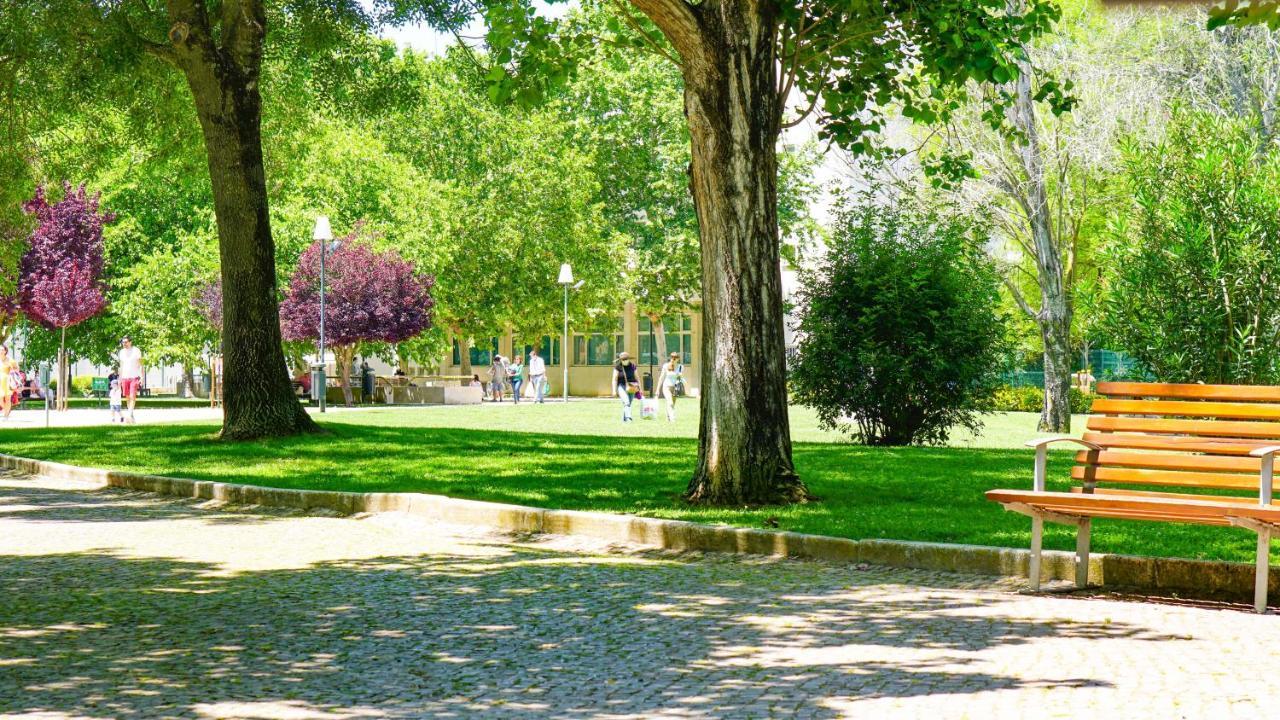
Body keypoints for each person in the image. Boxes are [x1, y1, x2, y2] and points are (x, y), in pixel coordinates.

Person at [117, 336, 143, 423]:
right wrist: (119, 379)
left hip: (134, 377)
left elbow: (141, 364)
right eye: (123, 342)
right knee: (127, 397)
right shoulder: (121, 352)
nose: (124, 344)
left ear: (130, 342)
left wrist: (142, 377)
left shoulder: (136, 350)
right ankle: (131, 415)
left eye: (126, 342)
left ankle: (129, 414)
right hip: (124, 377)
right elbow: (121, 366)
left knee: (132, 396)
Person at [655, 351, 685, 422]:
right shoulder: (666, 366)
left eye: (675, 358)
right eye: (672, 357)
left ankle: (668, 417)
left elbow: (680, 377)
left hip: (675, 387)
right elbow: (661, 378)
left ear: (678, 359)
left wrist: (681, 377)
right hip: (666, 387)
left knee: (672, 404)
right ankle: (672, 419)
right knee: (670, 402)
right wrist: (657, 389)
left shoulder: (681, 367)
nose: (673, 359)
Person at [612, 351, 639, 422]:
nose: (625, 361)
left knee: (628, 403)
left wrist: (640, 388)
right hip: (621, 386)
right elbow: (614, 379)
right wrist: (614, 390)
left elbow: (637, 377)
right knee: (626, 402)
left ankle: (624, 419)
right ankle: (629, 418)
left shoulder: (633, 366)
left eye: (626, 359)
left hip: (632, 386)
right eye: (623, 359)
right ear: (620, 360)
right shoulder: (618, 367)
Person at [0, 345, 17, 420]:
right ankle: (6, 410)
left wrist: (12, 368)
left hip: (7, 381)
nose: (1, 351)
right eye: (0, 349)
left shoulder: (10, 360)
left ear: (5, 351)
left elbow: (17, 369)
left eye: (2, 349)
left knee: (7, 399)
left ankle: (6, 416)